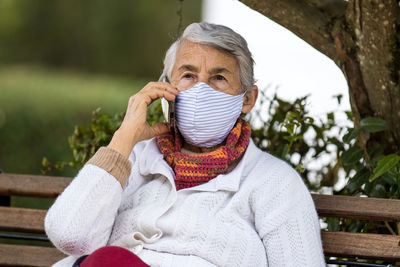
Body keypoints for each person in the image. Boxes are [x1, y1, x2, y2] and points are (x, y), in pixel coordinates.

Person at [45, 22, 325, 267]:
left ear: (247, 99)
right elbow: (71, 237)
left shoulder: (273, 182)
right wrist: (124, 138)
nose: (201, 90)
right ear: (167, 88)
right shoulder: (136, 159)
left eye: (218, 78)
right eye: (188, 76)